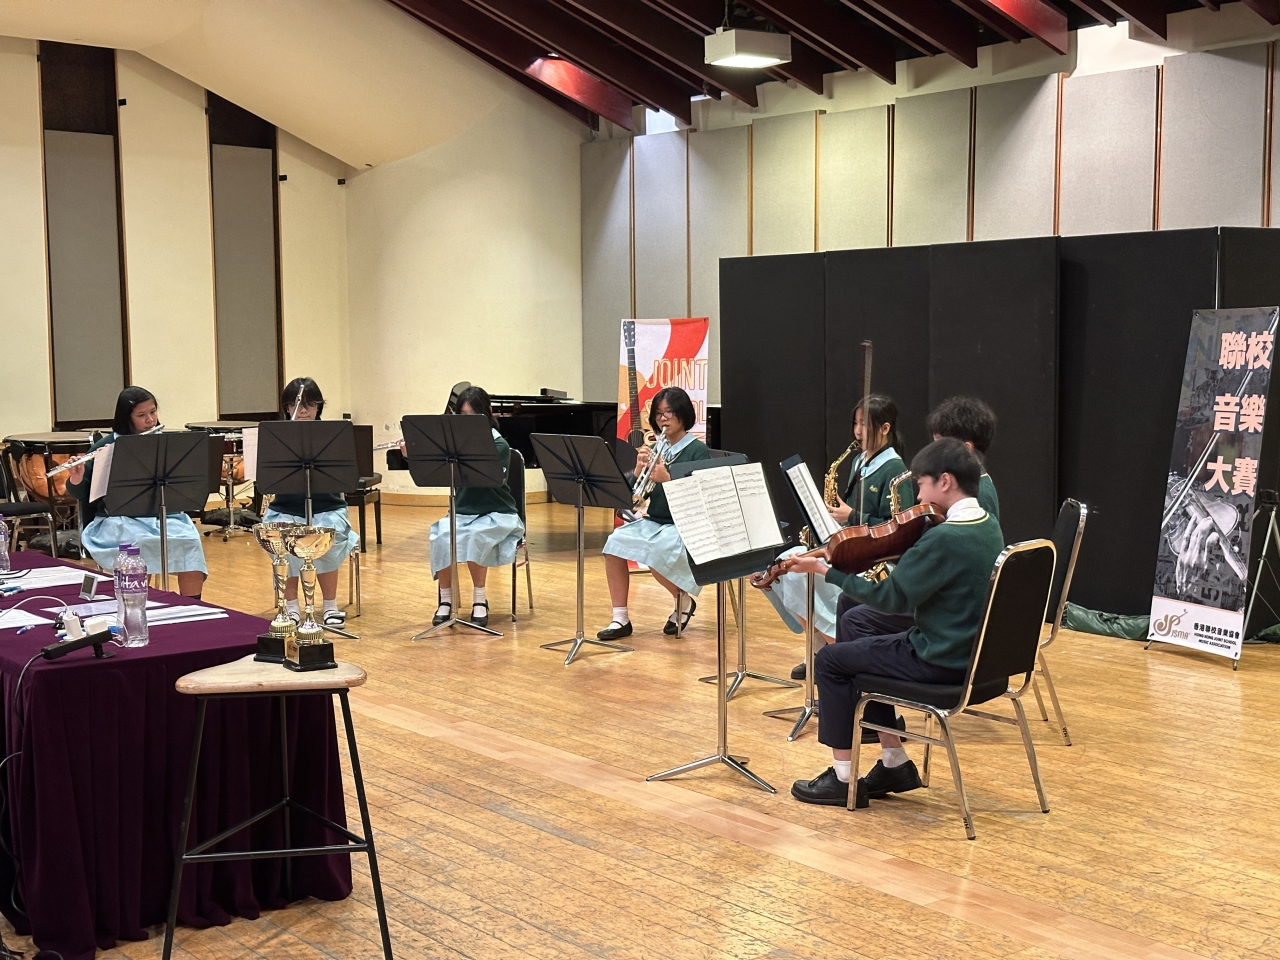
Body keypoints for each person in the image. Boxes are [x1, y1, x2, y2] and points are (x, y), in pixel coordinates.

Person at [787, 438, 1005, 807]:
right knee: (857, 624)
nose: (918, 496)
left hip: (939, 660)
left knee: (831, 661)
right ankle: (894, 761)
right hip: (973, 655)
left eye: (921, 484)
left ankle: (843, 779)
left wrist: (826, 571)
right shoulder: (988, 525)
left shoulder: (945, 538)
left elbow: (891, 598)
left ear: (945, 481)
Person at [752, 396, 913, 673]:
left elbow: (899, 529)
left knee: (799, 572)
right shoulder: (860, 460)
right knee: (789, 563)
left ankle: (836, 651)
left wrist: (852, 516)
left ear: (885, 428)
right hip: (854, 551)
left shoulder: (895, 469)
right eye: (855, 424)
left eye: (865, 425)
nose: (857, 432)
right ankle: (817, 648)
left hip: (877, 564)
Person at [834, 395, 1003, 651]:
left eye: (939, 445)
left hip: (947, 608)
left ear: (965, 449)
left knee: (856, 617)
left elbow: (945, 561)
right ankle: (848, 664)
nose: (932, 452)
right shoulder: (968, 486)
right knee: (848, 601)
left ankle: (861, 667)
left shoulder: (978, 497)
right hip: (938, 588)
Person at [67, 386, 208, 597]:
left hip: (164, 516)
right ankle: (140, 605)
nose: (150, 420)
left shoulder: (165, 443)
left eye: (153, 412)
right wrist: (76, 478)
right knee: (140, 544)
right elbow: (80, 493)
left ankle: (192, 606)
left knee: (191, 541)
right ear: (127, 418)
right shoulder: (107, 446)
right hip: (119, 519)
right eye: (141, 415)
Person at [597, 386, 709, 640]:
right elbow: (634, 495)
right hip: (656, 520)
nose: (662, 419)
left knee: (655, 551)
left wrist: (667, 479)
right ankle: (620, 618)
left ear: (683, 414)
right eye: (658, 414)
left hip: (683, 524)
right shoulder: (659, 447)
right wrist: (638, 470)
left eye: (669, 412)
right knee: (613, 545)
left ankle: (682, 599)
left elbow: (698, 498)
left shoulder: (697, 450)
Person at [411, 385, 524, 629]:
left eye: (474, 414)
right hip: (463, 511)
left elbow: (483, 480)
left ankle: (480, 599)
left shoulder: (498, 444)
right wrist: (416, 453)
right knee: (441, 534)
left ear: (487, 413)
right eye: (463, 415)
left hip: (496, 511)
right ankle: (446, 599)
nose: (469, 420)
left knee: (475, 536)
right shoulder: (453, 444)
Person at [261, 378, 361, 627]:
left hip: (328, 507)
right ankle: (291, 607)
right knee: (282, 538)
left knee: (327, 535)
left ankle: (330, 605)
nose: (303, 411)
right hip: (285, 508)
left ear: (318, 407)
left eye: (310, 404)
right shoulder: (275, 437)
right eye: (296, 405)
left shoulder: (334, 436)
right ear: (287, 408)